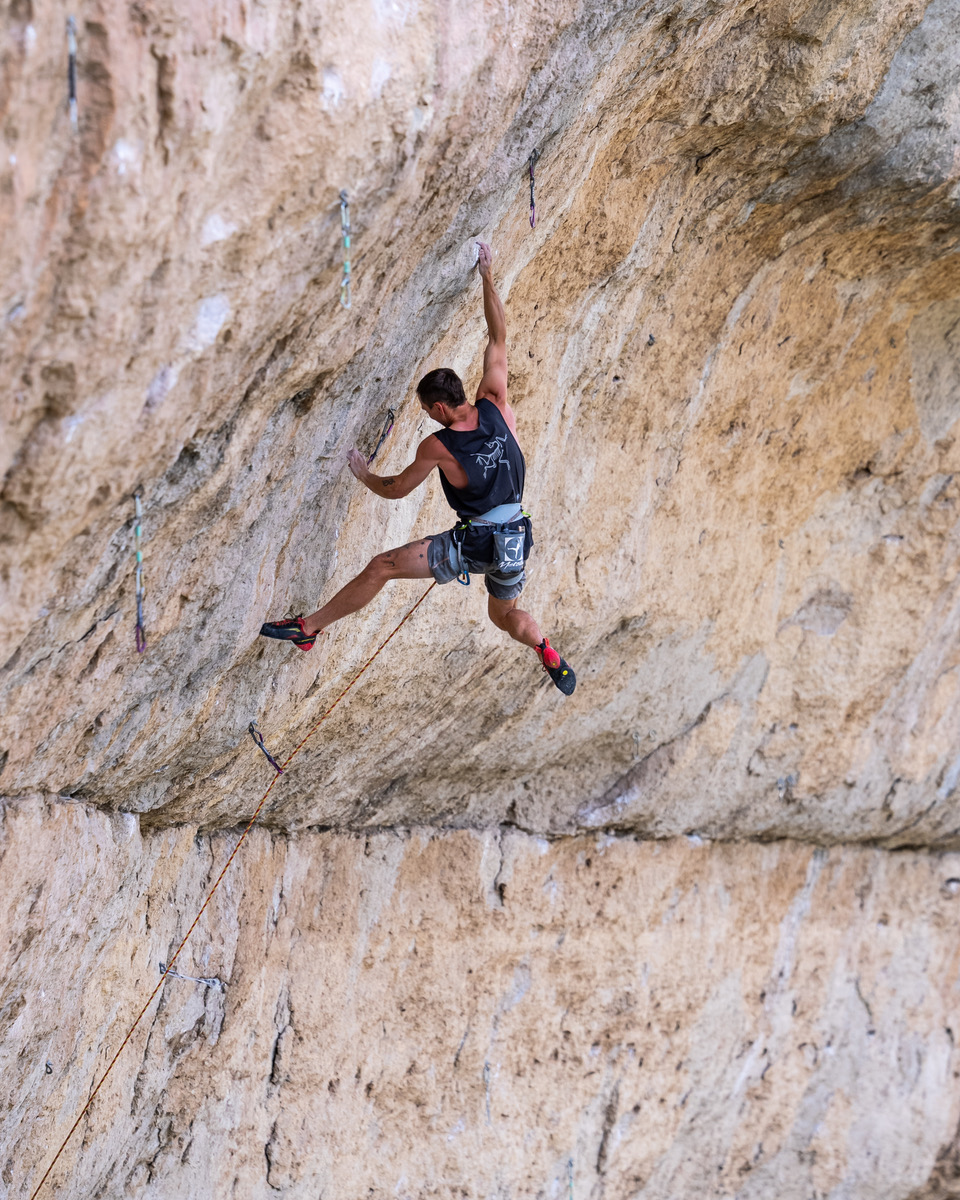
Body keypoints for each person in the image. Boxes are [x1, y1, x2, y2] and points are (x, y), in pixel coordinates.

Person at [259, 242, 576, 695]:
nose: (427, 414)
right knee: (503, 615)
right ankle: (542, 644)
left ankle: (308, 628)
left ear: (440, 406)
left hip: (478, 541)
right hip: (517, 538)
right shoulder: (495, 403)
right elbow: (498, 338)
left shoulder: (439, 445)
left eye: (428, 409)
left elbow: (396, 490)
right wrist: (487, 274)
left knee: (382, 566)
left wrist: (363, 473)